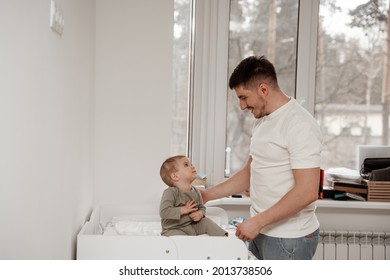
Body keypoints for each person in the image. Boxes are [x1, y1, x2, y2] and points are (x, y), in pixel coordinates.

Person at [201, 55, 322, 260]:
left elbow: (307, 191)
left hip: (288, 239)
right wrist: (205, 196)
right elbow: (249, 173)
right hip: (261, 231)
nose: (241, 106)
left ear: (263, 89)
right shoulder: (263, 121)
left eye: (243, 97)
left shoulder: (299, 124)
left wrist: (257, 222)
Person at [159, 155, 227, 237]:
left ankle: (224, 238)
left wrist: (200, 213)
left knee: (206, 222)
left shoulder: (196, 192)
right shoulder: (171, 192)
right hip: (174, 228)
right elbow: (164, 212)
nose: (192, 166)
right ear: (175, 176)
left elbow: (202, 207)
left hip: (192, 226)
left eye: (191, 164)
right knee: (179, 237)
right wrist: (183, 209)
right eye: (186, 165)